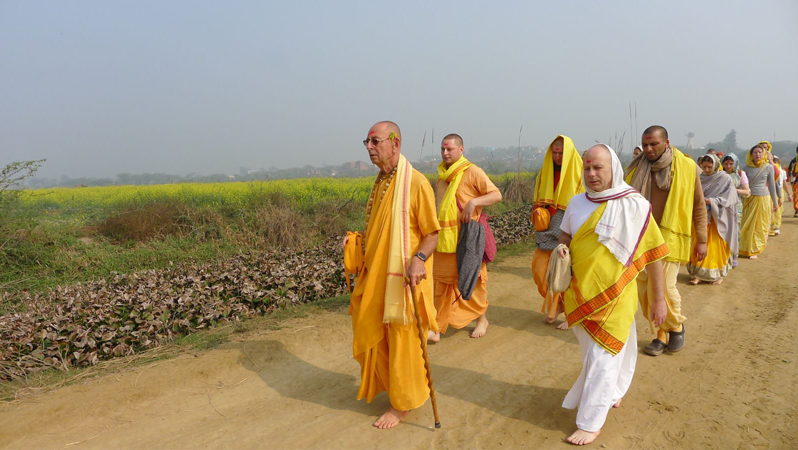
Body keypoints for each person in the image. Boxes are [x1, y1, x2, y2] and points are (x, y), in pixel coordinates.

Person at [556, 144, 668, 446]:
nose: (591, 174)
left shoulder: (635, 205)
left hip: (617, 295)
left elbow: (654, 255)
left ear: (613, 169)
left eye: (598, 168)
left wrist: (659, 299)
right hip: (579, 293)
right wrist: (562, 249)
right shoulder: (577, 202)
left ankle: (590, 422)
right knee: (611, 348)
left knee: (603, 355)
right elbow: (566, 235)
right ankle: (615, 391)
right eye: (587, 168)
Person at [347, 121, 441, 429]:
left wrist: (418, 259)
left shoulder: (415, 183)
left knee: (403, 341)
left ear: (395, 143)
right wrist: (357, 243)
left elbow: (431, 234)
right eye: (367, 142)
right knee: (376, 331)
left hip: (404, 279)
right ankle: (392, 389)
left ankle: (402, 404)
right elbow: (379, 231)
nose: (370, 147)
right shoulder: (381, 182)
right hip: (378, 276)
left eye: (375, 141)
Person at [626, 125, 707, 356]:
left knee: (665, 288)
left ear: (666, 143)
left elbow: (698, 204)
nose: (649, 149)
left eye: (654, 144)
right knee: (644, 289)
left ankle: (672, 327)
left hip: (671, 237)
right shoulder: (635, 170)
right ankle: (664, 331)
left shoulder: (686, 167)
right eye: (645, 145)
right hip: (641, 239)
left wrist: (701, 239)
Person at [428, 134, 502, 342]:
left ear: (461, 150)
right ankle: (436, 327)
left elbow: (496, 195)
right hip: (444, 240)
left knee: (474, 281)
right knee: (439, 284)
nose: (445, 153)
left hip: (467, 239)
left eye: (449, 149)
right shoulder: (442, 175)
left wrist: (473, 203)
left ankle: (482, 320)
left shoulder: (472, 171)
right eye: (443, 149)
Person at [530, 135, 583, 330]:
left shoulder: (580, 172)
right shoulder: (545, 172)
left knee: (567, 275)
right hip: (546, 229)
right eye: (555, 152)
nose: (558, 156)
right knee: (539, 271)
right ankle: (558, 305)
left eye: (561, 153)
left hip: (568, 230)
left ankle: (572, 314)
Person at [687, 155, 737, 285]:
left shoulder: (724, 178)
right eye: (704, 167)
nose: (707, 170)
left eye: (710, 167)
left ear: (715, 166)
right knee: (697, 243)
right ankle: (697, 274)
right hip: (700, 217)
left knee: (714, 246)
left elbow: (730, 197)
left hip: (717, 218)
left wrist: (711, 201)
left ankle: (717, 275)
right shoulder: (699, 178)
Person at [739, 145, 780, 259]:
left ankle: (755, 249)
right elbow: (742, 184)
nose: (757, 155)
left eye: (760, 152)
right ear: (751, 154)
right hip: (749, 199)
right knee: (746, 224)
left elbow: (772, 185)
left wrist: (775, 203)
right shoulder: (746, 168)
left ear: (764, 154)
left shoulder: (768, 167)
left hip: (763, 199)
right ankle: (745, 247)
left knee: (759, 226)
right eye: (755, 152)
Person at [721, 154, 750, 267]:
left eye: (731, 164)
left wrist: (734, 190)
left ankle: (734, 256)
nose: (728, 166)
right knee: (722, 230)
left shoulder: (740, 174)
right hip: (722, 206)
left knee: (735, 231)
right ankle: (723, 255)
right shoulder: (720, 174)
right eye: (726, 163)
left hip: (735, 206)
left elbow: (747, 191)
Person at [773, 156, 790, 234]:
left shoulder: (782, 172)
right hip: (771, 192)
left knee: (779, 210)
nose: (775, 164)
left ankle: (776, 226)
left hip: (779, 191)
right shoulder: (770, 170)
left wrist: (789, 194)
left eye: (776, 162)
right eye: (773, 162)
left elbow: (784, 183)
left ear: (779, 163)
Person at [789, 147, 798, 217]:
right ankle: (797, 209)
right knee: (796, 196)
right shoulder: (794, 161)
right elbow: (791, 171)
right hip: (796, 181)